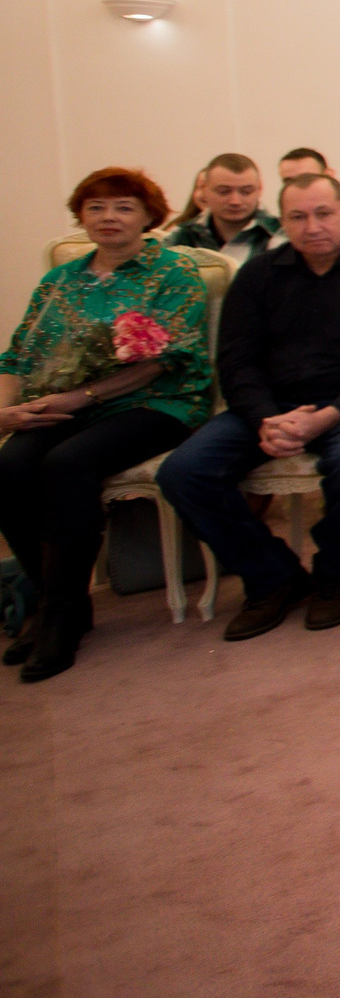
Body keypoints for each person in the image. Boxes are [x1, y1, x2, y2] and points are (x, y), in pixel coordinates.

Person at [157, 173, 340, 639]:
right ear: (283, 222)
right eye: (298, 217)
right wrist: (264, 417)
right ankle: (272, 576)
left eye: (323, 213)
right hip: (271, 404)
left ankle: (333, 576)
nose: (312, 226)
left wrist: (327, 416)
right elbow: (236, 360)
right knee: (183, 472)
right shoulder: (258, 275)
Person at [0, 169, 212, 683]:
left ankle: (58, 620)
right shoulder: (59, 281)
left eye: (123, 207)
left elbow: (162, 362)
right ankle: (61, 601)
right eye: (96, 208)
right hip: (68, 406)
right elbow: (17, 357)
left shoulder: (172, 274)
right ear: (81, 217)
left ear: (147, 216)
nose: (109, 218)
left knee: (67, 463)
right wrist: (5, 412)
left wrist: (76, 397)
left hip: (158, 404)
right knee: (8, 466)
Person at [165, 152, 278, 264]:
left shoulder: (282, 234)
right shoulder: (181, 236)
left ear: (260, 189)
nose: (235, 201)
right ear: (204, 190)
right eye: (224, 191)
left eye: (246, 192)